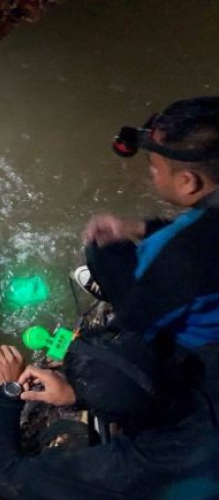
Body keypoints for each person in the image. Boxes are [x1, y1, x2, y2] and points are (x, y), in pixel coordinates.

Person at [74, 96, 219, 411]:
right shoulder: (197, 229)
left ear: (187, 182)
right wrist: (136, 226)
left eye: (155, 169)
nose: (152, 176)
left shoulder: (174, 254)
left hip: (201, 359)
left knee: (102, 255)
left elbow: (134, 321)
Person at [0, 344, 219, 500]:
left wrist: (8, 393)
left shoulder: (137, 465)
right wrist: (82, 392)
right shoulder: (204, 364)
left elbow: (4, 476)